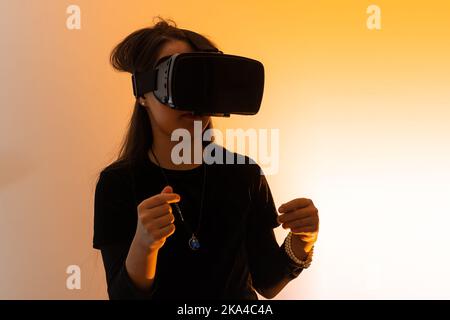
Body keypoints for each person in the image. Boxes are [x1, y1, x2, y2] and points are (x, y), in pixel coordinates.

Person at [93, 18, 320, 300]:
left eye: (202, 81)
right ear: (142, 93)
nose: (193, 97)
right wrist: (144, 244)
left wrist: (303, 240)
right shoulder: (117, 183)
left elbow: (268, 283)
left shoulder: (244, 174)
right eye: (178, 79)